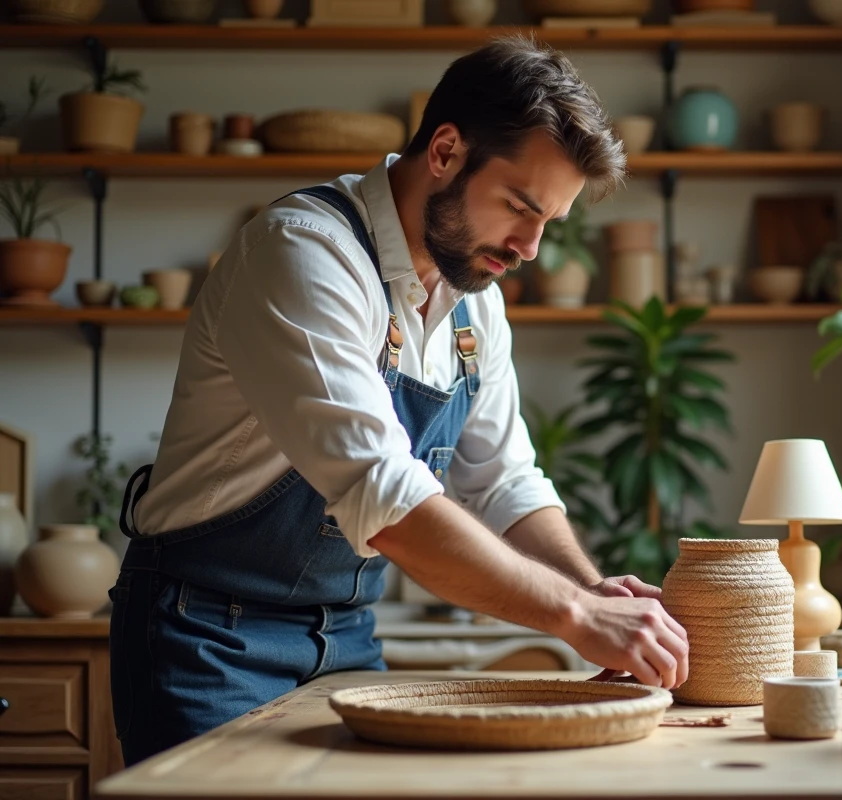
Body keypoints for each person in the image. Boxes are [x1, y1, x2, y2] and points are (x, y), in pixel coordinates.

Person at [108, 35, 689, 766]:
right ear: (444, 151)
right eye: (518, 206)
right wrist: (575, 615)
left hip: (346, 638)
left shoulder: (476, 304)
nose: (530, 248)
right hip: (206, 636)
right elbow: (385, 495)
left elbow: (504, 484)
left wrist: (592, 587)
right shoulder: (303, 254)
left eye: (549, 223)